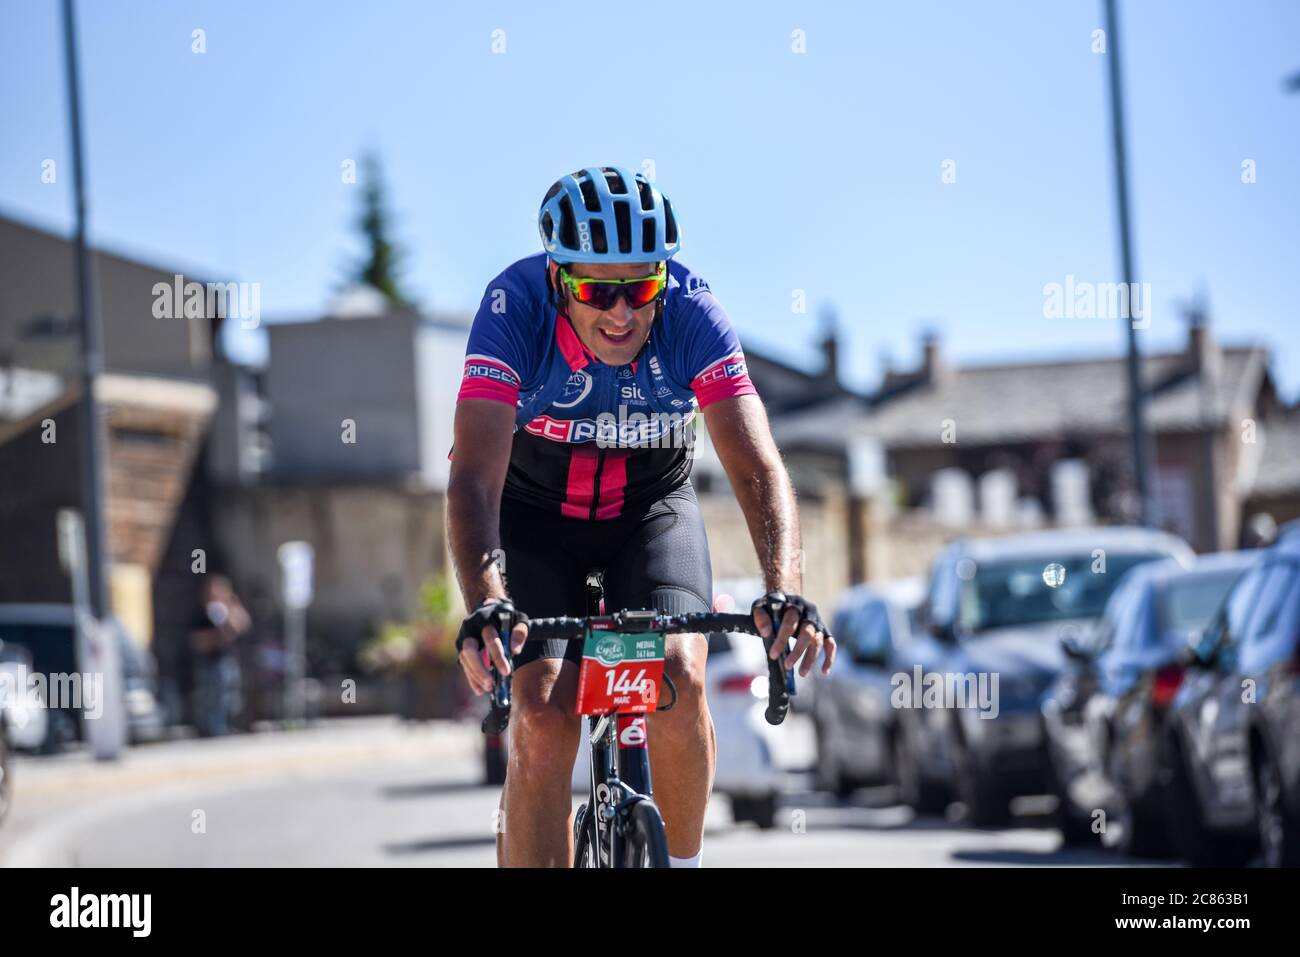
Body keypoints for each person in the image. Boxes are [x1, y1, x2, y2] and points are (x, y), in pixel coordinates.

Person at [448, 166, 835, 867]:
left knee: (680, 680)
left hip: (648, 512)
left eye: (641, 287)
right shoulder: (512, 308)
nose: (622, 313)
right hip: (534, 516)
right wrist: (487, 606)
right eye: (599, 290)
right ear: (560, 280)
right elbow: (473, 476)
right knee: (541, 715)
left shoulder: (692, 311)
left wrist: (785, 587)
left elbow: (758, 467)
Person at [189, 574, 250, 736]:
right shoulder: (201, 614)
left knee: (231, 696)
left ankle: (228, 725)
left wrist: (231, 605)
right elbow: (199, 641)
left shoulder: (226, 610)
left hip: (227, 660)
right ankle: (214, 729)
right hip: (209, 662)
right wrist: (219, 636)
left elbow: (242, 625)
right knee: (212, 697)